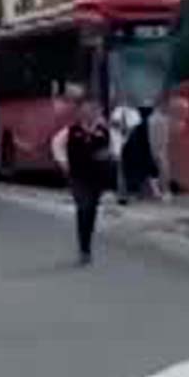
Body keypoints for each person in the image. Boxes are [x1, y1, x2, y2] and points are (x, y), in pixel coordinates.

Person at [53, 92, 113, 266]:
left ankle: (87, 243)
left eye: (94, 110)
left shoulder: (104, 131)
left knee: (91, 210)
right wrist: (63, 162)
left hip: (97, 178)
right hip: (78, 177)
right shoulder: (71, 131)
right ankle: (84, 249)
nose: (91, 113)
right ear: (81, 112)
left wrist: (108, 159)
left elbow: (113, 151)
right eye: (87, 110)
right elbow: (56, 144)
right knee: (83, 207)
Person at [109, 100, 142, 204]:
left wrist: (125, 129)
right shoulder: (117, 111)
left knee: (126, 171)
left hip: (128, 146)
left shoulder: (133, 113)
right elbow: (113, 126)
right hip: (119, 146)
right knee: (121, 171)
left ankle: (126, 193)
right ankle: (122, 195)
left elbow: (132, 129)